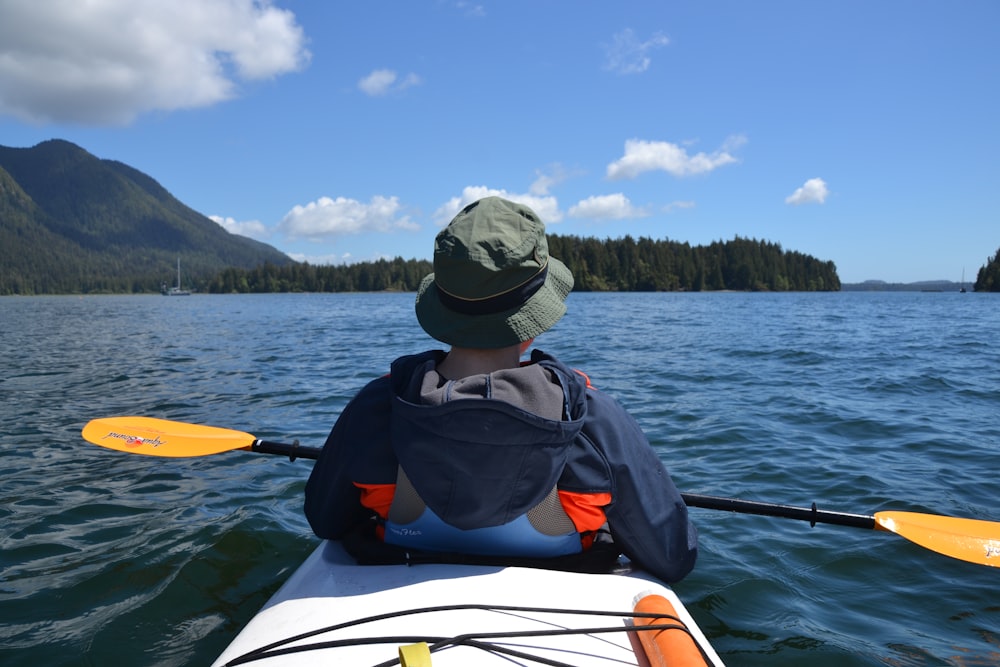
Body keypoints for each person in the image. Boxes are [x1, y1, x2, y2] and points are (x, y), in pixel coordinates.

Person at [304, 196, 697, 583]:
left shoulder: (376, 409)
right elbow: (672, 556)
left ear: (444, 311)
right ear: (533, 323)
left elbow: (325, 520)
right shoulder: (592, 422)